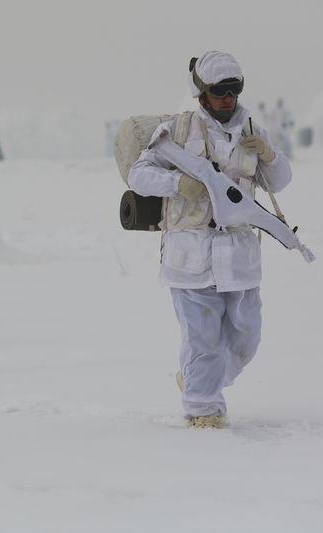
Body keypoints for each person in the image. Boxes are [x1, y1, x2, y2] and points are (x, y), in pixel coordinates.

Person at [128, 51, 292, 428]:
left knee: (247, 336)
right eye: (220, 92)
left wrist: (267, 154)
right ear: (201, 93)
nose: (228, 99)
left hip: (239, 257)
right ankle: (203, 411)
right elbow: (140, 174)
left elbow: (280, 181)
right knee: (202, 339)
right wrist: (177, 183)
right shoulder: (178, 131)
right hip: (192, 256)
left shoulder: (251, 131)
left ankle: (198, 379)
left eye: (234, 91)